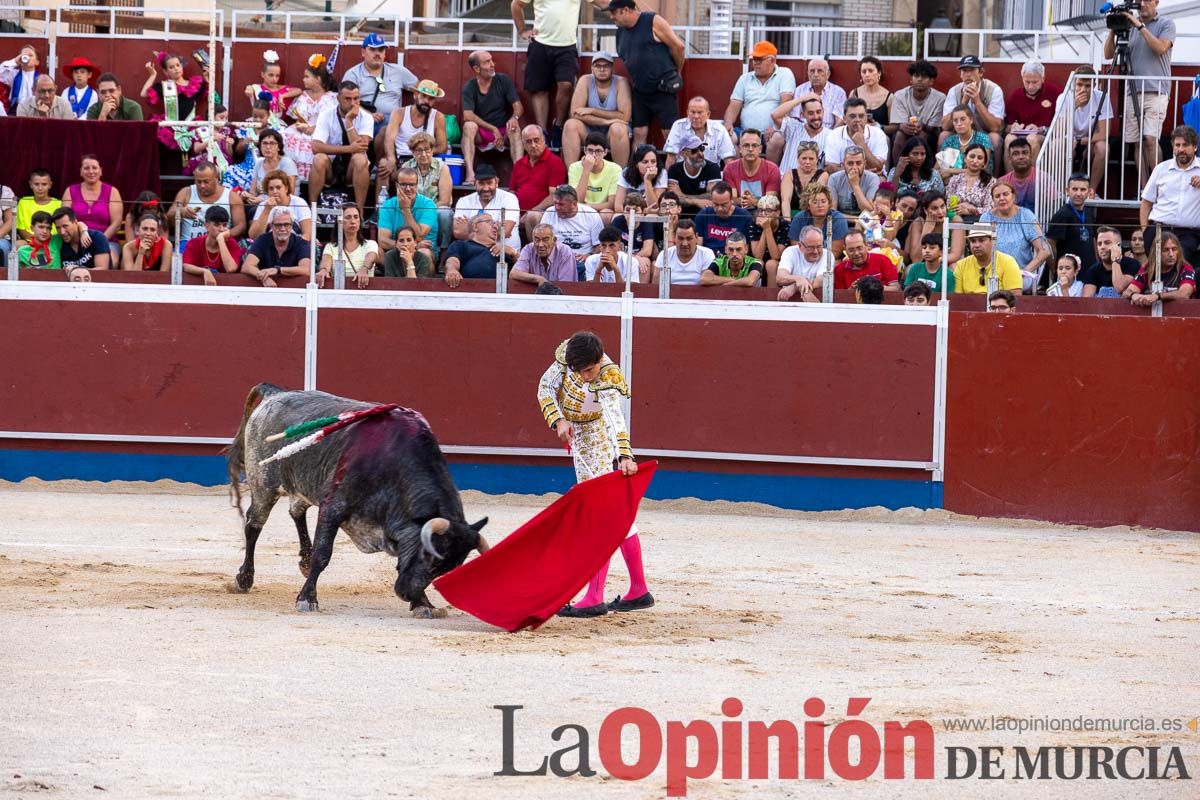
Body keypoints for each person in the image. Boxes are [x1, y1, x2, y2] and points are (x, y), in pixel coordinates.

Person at [538, 331, 648, 617]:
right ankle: (638, 590)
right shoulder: (568, 358)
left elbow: (614, 419)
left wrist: (624, 454)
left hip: (596, 438)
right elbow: (545, 388)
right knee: (613, 515)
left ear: (599, 361)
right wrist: (558, 419)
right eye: (580, 372)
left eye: (589, 370)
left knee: (599, 516)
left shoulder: (608, 379)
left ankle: (596, 596)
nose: (586, 377)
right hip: (577, 434)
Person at [1104, 0, 1175, 183]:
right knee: (1137, 142)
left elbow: (1160, 48)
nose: (1142, 4)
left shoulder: (1166, 23)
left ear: (1156, 2)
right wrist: (1114, 27)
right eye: (1139, 1)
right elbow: (1108, 54)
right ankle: (1145, 189)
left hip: (1157, 91)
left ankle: (1159, 184)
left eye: (1147, 0)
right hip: (1133, 91)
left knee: (1151, 139)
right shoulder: (1131, 26)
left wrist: (1140, 26)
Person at [605, 0, 685, 148]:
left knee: (671, 136)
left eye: (614, 12)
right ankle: (637, 171)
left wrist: (676, 71)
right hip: (640, 91)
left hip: (663, 89)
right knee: (639, 133)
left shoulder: (652, 21)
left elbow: (678, 47)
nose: (611, 17)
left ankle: (673, 171)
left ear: (626, 10)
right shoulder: (620, 31)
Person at [512, 0, 579, 144]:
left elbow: (605, 3)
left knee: (566, 85)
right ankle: (541, 133)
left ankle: (558, 126)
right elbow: (516, 4)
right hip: (540, 42)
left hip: (567, 45)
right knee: (538, 90)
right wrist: (522, 30)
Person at [724, 41, 795, 163]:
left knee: (777, 138)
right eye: (754, 59)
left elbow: (786, 103)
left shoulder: (784, 74)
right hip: (745, 130)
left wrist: (775, 126)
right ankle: (738, 173)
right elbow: (734, 106)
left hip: (773, 130)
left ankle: (770, 174)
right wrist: (728, 123)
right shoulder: (745, 78)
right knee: (726, 137)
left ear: (772, 60)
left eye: (759, 59)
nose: (755, 62)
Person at [342, 33, 420, 144]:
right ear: (363, 52)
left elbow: (420, 88)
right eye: (373, 49)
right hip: (363, 122)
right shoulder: (353, 74)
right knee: (384, 131)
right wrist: (368, 115)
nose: (377, 53)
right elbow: (346, 102)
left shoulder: (398, 71)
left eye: (381, 50)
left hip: (395, 121)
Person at [309, 80, 374, 214]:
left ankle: (360, 212)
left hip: (352, 169)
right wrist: (349, 149)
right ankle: (312, 210)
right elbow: (315, 146)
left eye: (356, 99)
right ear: (338, 99)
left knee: (360, 159)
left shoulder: (366, 117)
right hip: (330, 168)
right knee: (319, 158)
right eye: (347, 99)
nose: (352, 103)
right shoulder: (326, 115)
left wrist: (349, 121)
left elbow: (361, 147)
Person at [1139, 125, 1200, 267]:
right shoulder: (1161, 169)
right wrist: (1145, 231)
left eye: (1185, 145)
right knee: (1156, 272)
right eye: (1177, 145)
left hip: (1188, 234)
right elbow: (1146, 202)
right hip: (1158, 230)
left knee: (1179, 270)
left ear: (1195, 147)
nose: (1181, 149)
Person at [460, 49, 523, 185]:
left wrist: (514, 118)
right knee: (468, 126)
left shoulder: (503, 80)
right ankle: (470, 174)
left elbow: (518, 107)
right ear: (477, 68)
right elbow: (467, 115)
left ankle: (519, 175)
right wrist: (492, 129)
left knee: (514, 127)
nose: (492, 64)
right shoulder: (469, 87)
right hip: (482, 133)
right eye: (487, 62)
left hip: (503, 131)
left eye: (491, 60)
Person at [980, 179, 1051, 293]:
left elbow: (1045, 251)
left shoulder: (1025, 215)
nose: (1002, 198)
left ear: (1013, 196)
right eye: (997, 196)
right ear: (993, 200)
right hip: (992, 273)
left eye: (1006, 194)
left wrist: (1025, 271)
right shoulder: (986, 218)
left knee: (1011, 284)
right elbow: (980, 248)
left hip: (1020, 275)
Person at [563, 52, 632, 167]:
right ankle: (573, 177)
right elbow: (575, 113)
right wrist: (606, 121)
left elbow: (625, 117)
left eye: (606, 66)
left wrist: (592, 111)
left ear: (612, 68)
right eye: (598, 66)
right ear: (592, 68)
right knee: (570, 125)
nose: (602, 69)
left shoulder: (621, 82)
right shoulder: (585, 80)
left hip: (613, 134)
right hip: (589, 131)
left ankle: (620, 179)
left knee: (618, 128)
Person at [1055, 66, 1111, 198]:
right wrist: (1075, 106)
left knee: (1103, 147)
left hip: (1090, 142)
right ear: (1074, 84)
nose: (1083, 89)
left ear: (1094, 85)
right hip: (1069, 141)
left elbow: (1104, 133)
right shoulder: (1064, 97)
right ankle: (1064, 191)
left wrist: (1083, 140)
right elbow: (1058, 130)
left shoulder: (1102, 98)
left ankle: (1091, 191)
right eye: (1079, 84)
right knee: (1057, 145)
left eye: (1087, 85)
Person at [380, 79, 448, 186]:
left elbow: (442, 146)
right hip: (401, 159)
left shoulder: (438, 117)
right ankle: (381, 201)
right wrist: (391, 158)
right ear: (415, 95)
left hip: (424, 162)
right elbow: (389, 139)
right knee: (384, 164)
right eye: (423, 96)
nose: (427, 101)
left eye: (431, 98)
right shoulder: (399, 113)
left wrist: (423, 153)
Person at [168, 161, 247, 249]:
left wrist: (224, 234)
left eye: (206, 182)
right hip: (189, 243)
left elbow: (241, 226)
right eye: (198, 182)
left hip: (219, 244)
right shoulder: (186, 192)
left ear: (216, 178)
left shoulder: (231, 196)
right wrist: (181, 211)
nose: (202, 185)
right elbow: (169, 215)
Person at [282, 55, 337, 181]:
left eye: (307, 77)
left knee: (312, 145)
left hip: (321, 132)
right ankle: (293, 176)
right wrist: (302, 126)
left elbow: (331, 122)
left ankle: (315, 176)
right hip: (303, 129)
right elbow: (298, 117)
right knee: (291, 139)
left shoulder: (331, 99)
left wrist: (313, 129)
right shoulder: (303, 97)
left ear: (317, 79)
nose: (303, 80)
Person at [141, 51, 208, 153]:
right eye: (171, 67)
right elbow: (143, 94)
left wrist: (208, 77)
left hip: (190, 126)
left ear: (181, 66)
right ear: (166, 71)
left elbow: (212, 95)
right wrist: (153, 75)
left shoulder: (195, 84)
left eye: (178, 65)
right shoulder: (164, 86)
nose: (176, 68)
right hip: (170, 128)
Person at [939, 55, 1004, 159]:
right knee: (944, 136)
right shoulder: (954, 91)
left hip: (984, 133)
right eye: (964, 71)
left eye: (972, 70)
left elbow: (995, 127)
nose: (968, 75)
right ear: (960, 74)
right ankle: (943, 173)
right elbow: (945, 126)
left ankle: (994, 175)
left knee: (995, 138)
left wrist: (977, 102)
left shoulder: (994, 89)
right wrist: (963, 102)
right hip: (961, 133)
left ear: (981, 73)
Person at [62, 155, 123, 261]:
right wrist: (78, 240)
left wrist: (99, 241)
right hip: (76, 241)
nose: (91, 171)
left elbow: (116, 224)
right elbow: (65, 219)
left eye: (94, 168)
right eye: (86, 168)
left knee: (110, 260)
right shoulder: (70, 191)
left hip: (106, 240)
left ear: (101, 171)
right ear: (81, 171)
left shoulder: (112, 191)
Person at [403, 132, 454, 254]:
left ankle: (443, 254)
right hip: (414, 208)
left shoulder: (442, 168)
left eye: (427, 150)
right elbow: (404, 195)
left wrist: (427, 211)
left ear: (432, 150)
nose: (424, 154)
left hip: (435, 208)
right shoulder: (406, 167)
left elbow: (445, 200)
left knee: (445, 213)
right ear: (413, 152)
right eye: (419, 151)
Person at [452, 164, 522, 252]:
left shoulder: (509, 198)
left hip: (503, 254)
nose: (485, 188)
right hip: (472, 254)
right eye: (481, 183)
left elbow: (505, 231)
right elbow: (458, 232)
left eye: (489, 183)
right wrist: (494, 227)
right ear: (474, 183)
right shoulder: (464, 201)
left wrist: (471, 228)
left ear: (496, 182)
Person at [515, 124, 570, 234]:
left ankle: (536, 251)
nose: (533, 145)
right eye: (529, 142)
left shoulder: (554, 162)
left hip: (544, 214)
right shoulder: (519, 164)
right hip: (519, 213)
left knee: (532, 216)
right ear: (524, 145)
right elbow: (512, 192)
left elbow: (555, 196)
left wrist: (533, 210)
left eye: (536, 140)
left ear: (544, 140)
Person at [1003, 61, 1060, 164]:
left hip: (1045, 136)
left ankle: (1032, 179)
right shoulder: (1016, 95)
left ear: (1042, 79)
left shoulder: (1054, 92)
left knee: (1032, 139)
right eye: (1027, 82)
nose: (1030, 86)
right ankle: (1010, 179)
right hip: (1021, 135)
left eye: (1034, 82)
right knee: (1008, 139)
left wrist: (1040, 129)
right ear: (1022, 79)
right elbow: (1005, 126)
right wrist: (1013, 127)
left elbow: (1062, 124)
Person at [378, 167, 439, 261]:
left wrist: (405, 209)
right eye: (403, 184)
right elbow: (383, 241)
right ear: (396, 185)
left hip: (420, 254)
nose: (408, 189)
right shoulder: (388, 205)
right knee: (376, 251)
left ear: (417, 185)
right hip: (396, 253)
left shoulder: (429, 204)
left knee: (424, 252)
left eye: (412, 185)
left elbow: (418, 236)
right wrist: (414, 246)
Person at [242, 208, 312, 286]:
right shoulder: (263, 240)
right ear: (271, 226)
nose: (282, 229)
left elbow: (306, 270)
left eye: (286, 225)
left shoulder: (301, 243)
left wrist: (278, 270)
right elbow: (247, 266)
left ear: (291, 225)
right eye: (278, 225)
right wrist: (264, 277)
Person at [889, 60, 946, 155]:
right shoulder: (899, 95)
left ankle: (924, 169)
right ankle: (897, 168)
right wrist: (903, 126)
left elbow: (933, 127)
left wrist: (922, 126)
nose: (919, 79)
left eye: (924, 77)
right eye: (916, 76)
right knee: (899, 135)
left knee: (922, 135)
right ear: (911, 80)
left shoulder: (940, 98)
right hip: (905, 133)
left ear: (931, 81)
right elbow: (900, 123)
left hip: (929, 135)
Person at [1047, 173, 1099, 276]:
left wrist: (1097, 264)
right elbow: (1050, 245)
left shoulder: (1088, 213)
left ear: (1089, 192)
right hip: (1070, 277)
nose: (1078, 193)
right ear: (1067, 191)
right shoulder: (1062, 215)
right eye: (1075, 189)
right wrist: (1055, 271)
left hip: (1090, 273)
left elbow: (1093, 239)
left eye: (1083, 190)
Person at [540, 185, 603, 268]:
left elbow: (600, 244)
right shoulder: (549, 212)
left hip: (582, 261)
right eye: (555, 203)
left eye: (561, 204)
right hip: (556, 259)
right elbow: (542, 240)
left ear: (574, 203)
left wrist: (589, 256)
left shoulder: (591, 215)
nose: (557, 208)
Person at [444, 214, 514, 287]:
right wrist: (452, 270)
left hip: (501, 295)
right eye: (489, 222)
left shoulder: (502, 250)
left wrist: (514, 253)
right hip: (469, 291)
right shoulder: (461, 245)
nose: (496, 227)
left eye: (496, 224)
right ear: (475, 227)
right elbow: (452, 260)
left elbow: (521, 269)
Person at [1124, 232, 1194, 305]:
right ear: (1156, 252)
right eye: (1166, 250)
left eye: (1174, 249)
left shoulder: (1185, 268)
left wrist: (1158, 296)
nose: (1171, 254)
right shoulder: (1147, 268)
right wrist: (1133, 295)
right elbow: (1127, 292)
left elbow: (1184, 294)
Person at [318, 204, 379, 288]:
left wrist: (364, 269)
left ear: (360, 221)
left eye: (356, 217)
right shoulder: (331, 246)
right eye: (348, 217)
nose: (353, 221)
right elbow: (326, 262)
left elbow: (371, 257)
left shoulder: (370, 244)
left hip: (365, 291)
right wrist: (323, 270)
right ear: (340, 221)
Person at [664, 97, 735, 168]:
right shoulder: (678, 126)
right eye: (693, 112)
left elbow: (728, 160)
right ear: (687, 112)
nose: (696, 116)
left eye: (700, 112)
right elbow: (670, 158)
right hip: (684, 174)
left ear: (708, 114)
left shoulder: (719, 129)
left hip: (711, 174)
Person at [820, 229, 899, 292]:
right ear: (845, 249)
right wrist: (851, 290)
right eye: (851, 250)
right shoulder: (839, 270)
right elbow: (838, 298)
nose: (856, 253)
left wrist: (874, 287)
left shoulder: (882, 260)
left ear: (866, 245)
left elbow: (896, 289)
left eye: (859, 248)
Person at [182, 205, 243, 285]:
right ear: (206, 226)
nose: (221, 229)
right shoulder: (194, 243)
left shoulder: (232, 243)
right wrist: (204, 271)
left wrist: (221, 240)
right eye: (217, 225)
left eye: (224, 225)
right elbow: (186, 266)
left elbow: (231, 268)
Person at [953, 225, 1022, 294]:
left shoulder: (1008, 262)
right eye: (973, 241)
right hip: (968, 304)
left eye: (981, 240)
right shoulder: (961, 265)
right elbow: (957, 297)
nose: (977, 245)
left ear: (992, 242)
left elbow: (1015, 295)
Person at [722, 129, 781, 209]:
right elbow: (732, 199)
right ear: (740, 149)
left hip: (764, 215)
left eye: (754, 145)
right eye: (746, 145)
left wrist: (753, 202)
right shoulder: (729, 168)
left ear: (760, 149)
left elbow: (770, 203)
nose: (750, 149)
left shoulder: (772, 169)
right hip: (739, 213)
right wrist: (747, 201)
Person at [565, 132, 620, 218]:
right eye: (590, 151)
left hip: (600, 210)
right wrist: (586, 170)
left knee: (606, 214)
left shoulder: (615, 169)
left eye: (598, 151)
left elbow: (611, 203)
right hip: (580, 211)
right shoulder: (574, 167)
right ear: (585, 150)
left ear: (605, 152)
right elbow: (578, 199)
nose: (594, 155)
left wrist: (587, 207)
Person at [773, 94, 832, 174]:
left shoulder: (831, 136)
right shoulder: (793, 127)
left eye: (818, 112)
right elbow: (775, 115)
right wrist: (801, 99)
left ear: (823, 111)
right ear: (803, 115)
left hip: (812, 185)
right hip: (785, 181)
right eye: (811, 113)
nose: (816, 116)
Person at [249, 170, 313, 240]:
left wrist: (293, 246)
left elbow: (308, 234)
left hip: (295, 244)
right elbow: (253, 236)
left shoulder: (299, 202)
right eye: (271, 189)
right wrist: (266, 211)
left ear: (286, 188)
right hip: (269, 246)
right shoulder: (263, 205)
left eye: (278, 187)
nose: (275, 191)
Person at [787, 183, 847, 259]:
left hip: (828, 261)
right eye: (815, 202)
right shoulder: (799, 218)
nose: (820, 205)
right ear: (808, 205)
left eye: (823, 201)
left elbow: (835, 253)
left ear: (829, 204)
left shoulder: (839, 219)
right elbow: (796, 249)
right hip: (804, 260)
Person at [694, 181, 753, 254]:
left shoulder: (745, 217)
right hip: (709, 259)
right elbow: (699, 248)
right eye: (716, 204)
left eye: (724, 205)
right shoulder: (703, 215)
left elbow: (746, 250)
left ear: (732, 200)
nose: (719, 209)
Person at [906, 191, 963, 266]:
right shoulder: (919, 223)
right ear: (925, 210)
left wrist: (935, 261)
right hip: (925, 264)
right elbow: (916, 259)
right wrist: (926, 231)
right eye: (935, 208)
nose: (940, 212)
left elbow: (955, 255)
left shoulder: (955, 220)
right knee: (910, 268)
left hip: (947, 262)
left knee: (953, 267)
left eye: (942, 206)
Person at [511, 223, 580, 286]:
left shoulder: (565, 251)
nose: (540, 245)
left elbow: (566, 285)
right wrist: (539, 279)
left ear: (554, 240)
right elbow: (514, 273)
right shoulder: (528, 249)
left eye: (545, 240)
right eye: (537, 240)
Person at [938, 105, 994, 181]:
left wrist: (950, 170)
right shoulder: (950, 141)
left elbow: (982, 168)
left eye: (962, 119)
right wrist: (947, 171)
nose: (959, 123)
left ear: (971, 120)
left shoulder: (983, 138)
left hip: (979, 181)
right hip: (953, 182)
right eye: (955, 120)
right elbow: (939, 168)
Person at [666, 134, 721, 211]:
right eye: (694, 151)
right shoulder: (674, 170)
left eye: (702, 148)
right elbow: (672, 198)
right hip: (681, 214)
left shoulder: (713, 168)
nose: (700, 154)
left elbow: (713, 196)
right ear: (683, 154)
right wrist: (695, 201)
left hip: (705, 214)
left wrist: (683, 196)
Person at [1082, 226, 1140, 298]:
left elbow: (1120, 287)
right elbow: (1086, 300)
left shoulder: (1132, 264)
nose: (1102, 247)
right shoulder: (1092, 270)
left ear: (1118, 245)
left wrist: (1115, 260)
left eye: (1107, 243)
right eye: (1099, 244)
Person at [611, 191, 656, 281]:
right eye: (628, 210)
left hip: (639, 257)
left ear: (643, 212)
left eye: (635, 210)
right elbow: (613, 246)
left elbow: (647, 250)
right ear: (623, 211)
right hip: (621, 256)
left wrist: (635, 258)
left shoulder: (646, 223)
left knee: (645, 262)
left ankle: (642, 293)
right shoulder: (618, 221)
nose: (631, 213)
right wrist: (633, 258)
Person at [775, 225, 828, 302]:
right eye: (811, 247)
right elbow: (780, 278)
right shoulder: (790, 252)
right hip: (789, 302)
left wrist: (795, 287)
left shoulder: (827, 255)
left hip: (818, 297)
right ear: (800, 246)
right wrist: (798, 279)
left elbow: (821, 281)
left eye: (819, 246)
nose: (816, 251)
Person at [653, 218, 713, 285]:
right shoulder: (664, 254)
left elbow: (708, 284)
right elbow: (656, 287)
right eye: (680, 238)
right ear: (674, 237)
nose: (684, 243)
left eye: (689, 238)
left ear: (696, 237)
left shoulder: (706, 254)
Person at [944, 143, 994, 222]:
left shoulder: (991, 182)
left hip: (979, 221)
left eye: (980, 158)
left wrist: (969, 210)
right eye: (972, 156)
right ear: (965, 159)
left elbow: (991, 209)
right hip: (955, 218)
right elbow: (948, 203)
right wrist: (961, 206)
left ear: (984, 163)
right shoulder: (955, 180)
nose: (975, 160)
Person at [248, 130, 299, 207]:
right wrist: (247, 196)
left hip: (283, 206)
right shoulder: (259, 163)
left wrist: (263, 201)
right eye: (264, 143)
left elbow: (289, 194)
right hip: (260, 205)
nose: (268, 147)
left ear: (279, 147)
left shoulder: (287, 163)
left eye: (272, 143)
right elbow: (253, 192)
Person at [52, 207, 109, 274]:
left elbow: (103, 270)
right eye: (58, 228)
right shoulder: (57, 241)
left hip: (96, 283)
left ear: (75, 222)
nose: (62, 232)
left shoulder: (97, 237)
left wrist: (76, 270)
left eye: (65, 226)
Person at [779, 141, 828, 219]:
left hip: (812, 217)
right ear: (798, 159)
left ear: (817, 159)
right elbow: (785, 201)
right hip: (791, 215)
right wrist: (787, 221)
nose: (807, 162)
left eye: (811, 159)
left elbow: (815, 199)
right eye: (804, 158)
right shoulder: (789, 174)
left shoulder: (823, 175)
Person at [244, 50, 300, 117]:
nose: (274, 79)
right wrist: (249, 88)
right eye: (271, 75)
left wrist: (282, 96)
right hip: (261, 122)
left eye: (277, 76)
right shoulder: (257, 88)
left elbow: (299, 90)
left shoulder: (282, 89)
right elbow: (249, 89)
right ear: (262, 74)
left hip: (279, 125)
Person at [748, 195, 788, 287]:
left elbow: (776, 256)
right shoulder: (754, 224)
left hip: (778, 263)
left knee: (771, 264)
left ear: (777, 213)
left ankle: (772, 299)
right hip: (760, 260)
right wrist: (765, 229)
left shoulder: (785, 226)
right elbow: (758, 256)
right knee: (758, 263)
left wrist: (767, 228)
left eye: (768, 210)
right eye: (760, 210)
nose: (763, 214)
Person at [795, 57, 845, 129]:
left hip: (829, 133)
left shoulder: (838, 92)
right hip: (804, 133)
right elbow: (795, 118)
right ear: (808, 74)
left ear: (828, 74)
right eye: (812, 71)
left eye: (820, 71)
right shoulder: (799, 90)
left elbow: (840, 120)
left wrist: (831, 137)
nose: (815, 75)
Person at [826, 146, 878, 216]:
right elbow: (832, 212)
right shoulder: (834, 179)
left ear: (864, 164)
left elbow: (870, 211)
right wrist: (856, 220)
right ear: (844, 164)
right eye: (850, 163)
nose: (854, 167)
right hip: (841, 222)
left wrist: (855, 185)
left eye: (858, 163)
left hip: (866, 224)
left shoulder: (873, 178)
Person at [615, 144, 666, 211]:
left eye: (653, 162)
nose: (650, 165)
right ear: (636, 164)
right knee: (616, 217)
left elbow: (655, 207)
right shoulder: (626, 173)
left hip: (650, 216)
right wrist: (640, 212)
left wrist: (647, 180)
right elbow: (618, 206)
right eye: (645, 162)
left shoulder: (661, 173)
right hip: (629, 214)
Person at [848, 56, 892, 129]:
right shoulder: (854, 94)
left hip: (880, 136)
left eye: (871, 71)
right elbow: (847, 119)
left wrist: (879, 127)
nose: (867, 75)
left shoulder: (889, 97)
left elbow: (893, 128)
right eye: (864, 72)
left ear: (879, 73)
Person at [16, 169, 61, 241]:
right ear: (31, 184)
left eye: (44, 184)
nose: (40, 188)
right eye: (36, 184)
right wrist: (37, 242)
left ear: (50, 185)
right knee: (19, 244)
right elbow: (21, 229)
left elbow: (60, 230)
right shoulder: (24, 202)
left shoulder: (58, 204)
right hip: (30, 242)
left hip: (52, 242)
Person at [999, 137, 1037, 212]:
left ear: (1031, 156)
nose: (1021, 157)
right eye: (1016, 154)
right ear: (1009, 159)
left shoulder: (1042, 178)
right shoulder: (1002, 182)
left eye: (1025, 153)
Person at [1, 45, 41, 113]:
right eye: (23, 55)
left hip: (34, 110)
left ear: (36, 62)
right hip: (15, 110)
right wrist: (15, 61)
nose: (27, 57)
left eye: (30, 55)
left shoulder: (41, 78)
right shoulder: (14, 75)